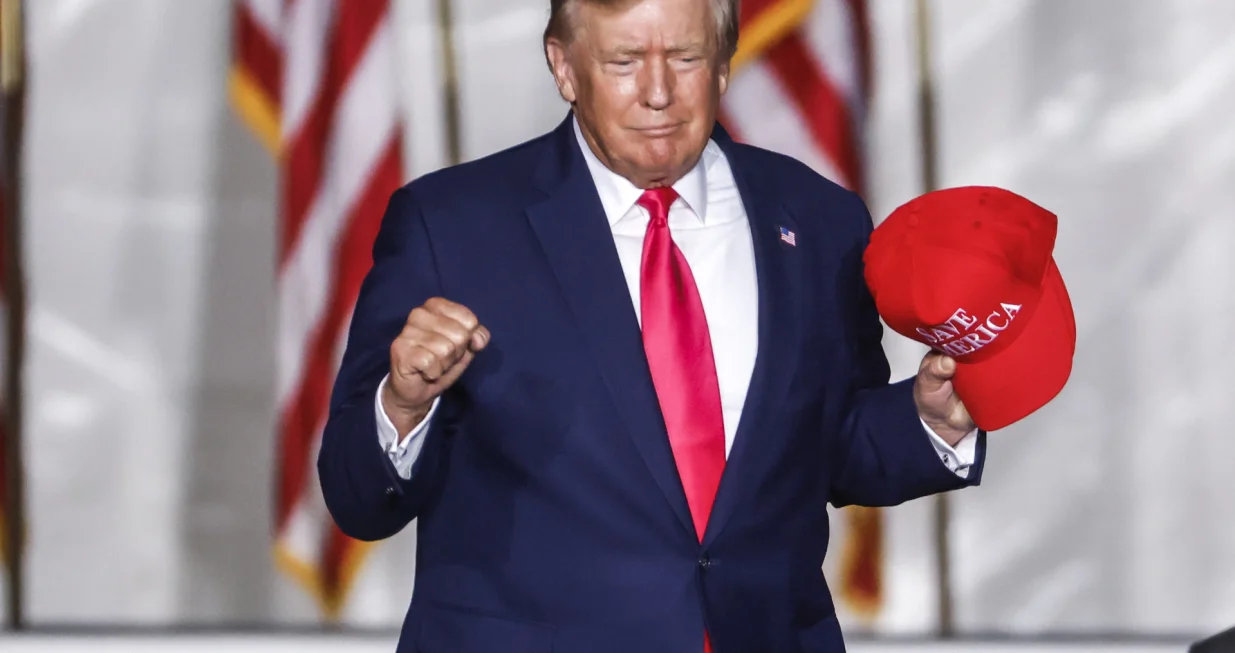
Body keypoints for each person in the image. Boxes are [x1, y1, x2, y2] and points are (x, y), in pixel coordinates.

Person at [318, 0, 984, 651]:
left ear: (723, 64)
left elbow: (831, 446)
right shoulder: (452, 226)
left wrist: (931, 420)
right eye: (625, 60)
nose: (658, 92)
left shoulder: (817, 219)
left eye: (685, 57)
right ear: (564, 67)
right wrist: (402, 405)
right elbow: (355, 498)